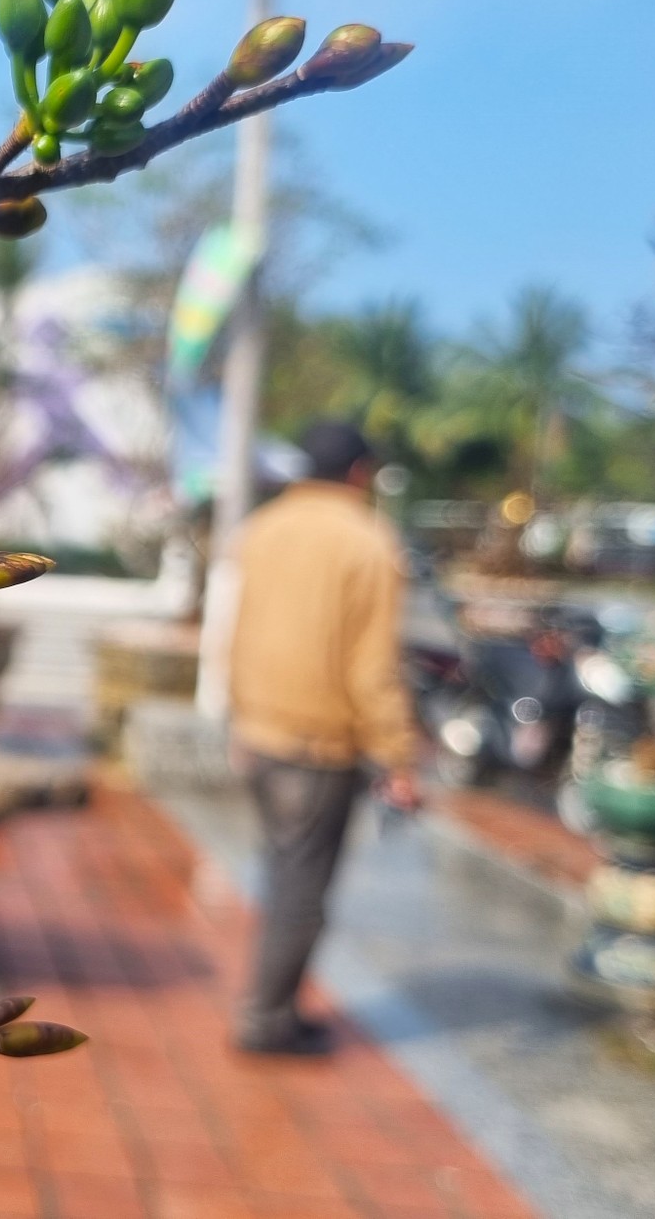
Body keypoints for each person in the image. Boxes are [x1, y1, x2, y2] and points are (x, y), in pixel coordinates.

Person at [226, 420, 423, 1056]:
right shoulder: (366, 541)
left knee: (284, 876)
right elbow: (373, 666)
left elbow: (239, 628)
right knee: (301, 891)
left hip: (259, 732)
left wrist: (238, 717)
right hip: (320, 747)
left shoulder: (263, 527)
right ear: (360, 473)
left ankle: (270, 1009)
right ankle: (265, 1019)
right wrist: (398, 757)